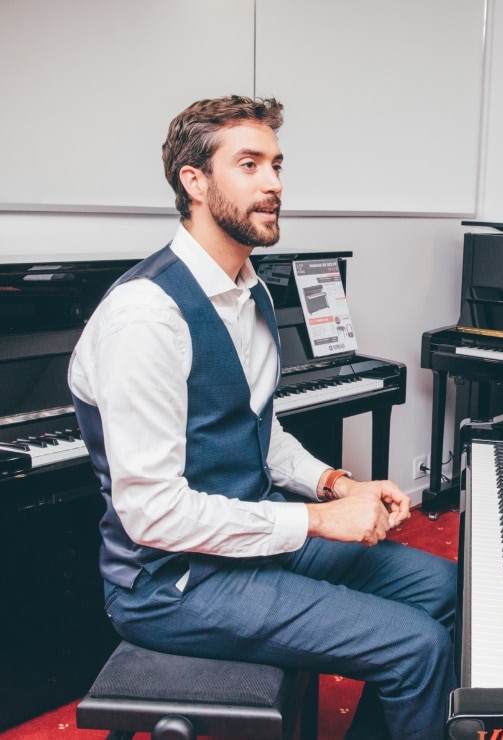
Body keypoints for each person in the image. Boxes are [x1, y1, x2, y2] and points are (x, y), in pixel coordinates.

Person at [68, 95, 457, 740]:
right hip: (174, 584)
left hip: (252, 543)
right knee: (415, 647)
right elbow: (151, 512)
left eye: (276, 165)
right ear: (194, 181)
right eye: (249, 164)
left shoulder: (250, 291)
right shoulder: (146, 318)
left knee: (443, 590)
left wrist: (338, 484)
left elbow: (257, 431)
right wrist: (318, 518)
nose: (274, 183)